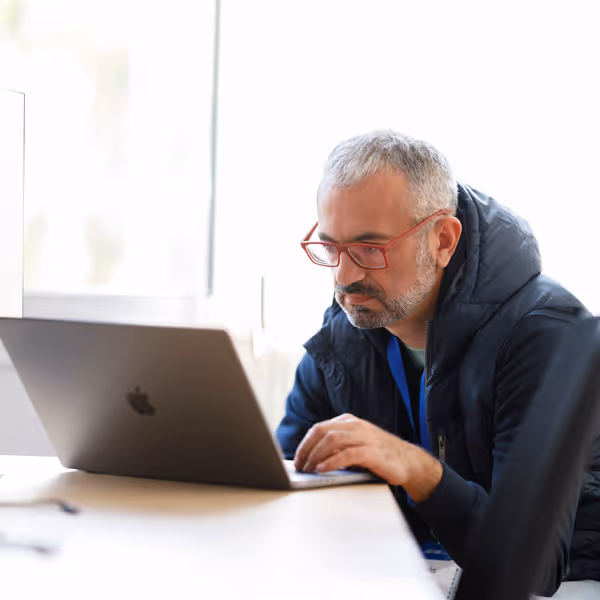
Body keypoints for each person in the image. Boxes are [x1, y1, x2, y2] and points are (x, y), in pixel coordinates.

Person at [276, 131, 600, 596]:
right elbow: (288, 471)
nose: (343, 278)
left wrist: (415, 468)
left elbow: (535, 565)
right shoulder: (350, 324)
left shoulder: (542, 334)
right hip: (413, 570)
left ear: (443, 240)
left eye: (370, 249)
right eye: (332, 248)